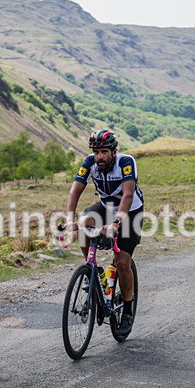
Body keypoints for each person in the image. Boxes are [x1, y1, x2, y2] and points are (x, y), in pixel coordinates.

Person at [65, 129, 144, 337]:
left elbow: (128, 195)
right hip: (105, 206)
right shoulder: (89, 163)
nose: (99, 156)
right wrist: (68, 220)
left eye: (103, 152)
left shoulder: (126, 162)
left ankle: (127, 310)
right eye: (96, 151)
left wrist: (117, 223)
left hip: (130, 212)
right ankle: (94, 271)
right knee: (84, 222)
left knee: (122, 262)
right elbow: (75, 191)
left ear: (114, 151)